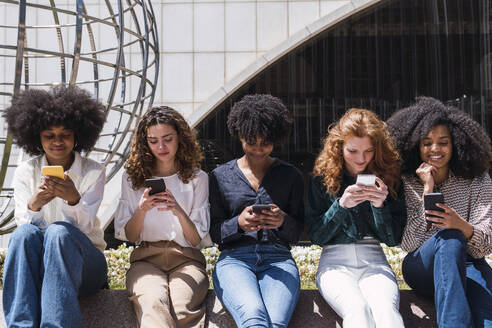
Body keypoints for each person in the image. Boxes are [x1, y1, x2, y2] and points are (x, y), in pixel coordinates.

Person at [2, 85, 108, 327]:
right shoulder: (25, 171)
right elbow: (24, 234)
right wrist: (35, 205)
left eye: (65, 134)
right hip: (41, 268)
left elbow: (84, 228)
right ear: (37, 137)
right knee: (24, 233)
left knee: (59, 232)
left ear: (77, 135)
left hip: (86, 267)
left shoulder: (94, 171)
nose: (57, 141)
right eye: (49, 135)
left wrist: (73, 200)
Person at [387, 97, 492, 328]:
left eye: (443, 142)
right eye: (427, 143)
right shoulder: (407, 181)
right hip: (422, 267)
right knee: (450, 239)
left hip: (470, 264)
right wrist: (428, 189)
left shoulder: (478, 180)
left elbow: (485, 245)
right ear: (416, 145)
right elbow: (408, 243)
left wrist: (462, 226)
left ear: (456, 144)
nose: (435, 149)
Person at [209, 94, 304, 328]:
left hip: (278, 259)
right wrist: (238, 224)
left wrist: (282, 221)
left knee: (275, 322)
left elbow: (299, 231)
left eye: (266, 143)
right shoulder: (220, 176)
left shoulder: (290, 175)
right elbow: (213, 232)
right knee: (253, 318)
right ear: (239, 135)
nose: (258, 149)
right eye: (252, 142)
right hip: (234, 260)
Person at [305, 108, 406, 328]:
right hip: (334, 263)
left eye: (369, 151)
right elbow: (316, 236)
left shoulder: (388, 175)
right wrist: (342, 206)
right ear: (339, 146)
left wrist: (379, 206)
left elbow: (393, 239)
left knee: (386, 313)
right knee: (358, 311)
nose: (361, 159)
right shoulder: (321, 179)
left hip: (375, 261)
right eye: (353, 151)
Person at [114, 106, 210, 328]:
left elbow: (196, 240)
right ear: (145, 142)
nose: (161, 147)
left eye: (167, 139)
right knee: (152, 301)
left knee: (182, 308)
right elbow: (129, 235)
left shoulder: (198, 178)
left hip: (187, 260)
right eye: (153, 140)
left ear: (180, 138)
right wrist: (142, 209)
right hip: (146, 260)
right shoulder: (132, 178)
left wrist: (177, 210)